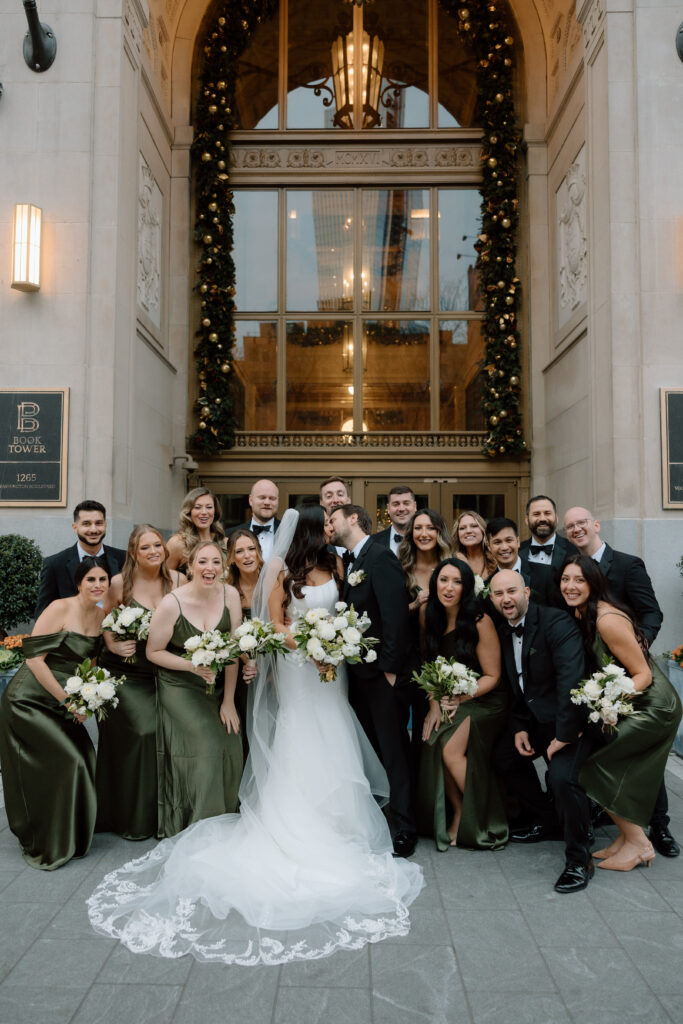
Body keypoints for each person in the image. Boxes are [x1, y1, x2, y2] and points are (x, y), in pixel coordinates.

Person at [87, 508, 424, 966]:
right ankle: (297, 815)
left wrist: (337, 646)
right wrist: (312, 643)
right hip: (299, 666)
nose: (329, 528)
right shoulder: (281, 572)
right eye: (322, 524)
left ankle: (338, 816)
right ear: (308, 531)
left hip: (332, 667)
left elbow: (347, 612)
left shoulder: (340, 566)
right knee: (301, 730)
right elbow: (275, 625)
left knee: (335, 727)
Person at [562, 506, 677, 857]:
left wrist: (634, 649)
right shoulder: (582, 605)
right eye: (566, 581)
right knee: (615, 759)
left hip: (649, 697)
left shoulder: (612, 605)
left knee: (607, 762)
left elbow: (650, 616)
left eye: (578, 581)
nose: (570, 586)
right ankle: (628, 839)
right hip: (625, 688)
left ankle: (644, 839)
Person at [0, 558, 111, 869]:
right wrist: (68, 702)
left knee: (86, 757)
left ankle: (69, 832)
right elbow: (34, 659)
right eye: (90, 579)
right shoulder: (60, 608)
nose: (97, 585)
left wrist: (91, 697)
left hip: (65, 700)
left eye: (103, 579)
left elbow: (92, 663)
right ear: (79, 583)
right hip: (29, 700)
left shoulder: (102, 615)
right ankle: (44, 836)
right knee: (69, 759)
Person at [490, 570, 595, 894]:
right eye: (498, 594)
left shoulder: (556, 623)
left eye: (512, 591)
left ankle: (580, 860)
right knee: (504, 757)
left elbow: (570, 682)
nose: (506, 599)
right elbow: (519, 685)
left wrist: (563, 735)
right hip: (536, 720)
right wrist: (520, 727)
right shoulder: (501, 630)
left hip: (572, 723)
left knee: (562, 778)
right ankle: (548, 820)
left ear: (527, 592)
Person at [330, 503, 419, 857]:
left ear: (353, 518)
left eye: (332, 519)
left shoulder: (379, 557)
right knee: (373, 750)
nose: (329, 525)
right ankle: (380, 817)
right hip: (359, 675)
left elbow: (396, 616)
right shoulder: (352, 560)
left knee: (394, 752)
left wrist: (390, 669)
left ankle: (406, 828)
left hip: (382, 676)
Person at [147, 540, 244, 838]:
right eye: (202, 562)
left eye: (216, 562)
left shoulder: (230, 595)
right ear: (189, 567)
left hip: (215, 687)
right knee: (207, 744)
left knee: (232, 742)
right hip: (179, 684)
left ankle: (226, 820)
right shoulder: (172, 603)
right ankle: (202, 826)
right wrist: (192, 667)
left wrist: (228, 700)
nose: (210, 568)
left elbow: (232, 651)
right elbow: (153, 652)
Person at [96, 525, 185, 841]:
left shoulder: (178, 581)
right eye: (145, 547)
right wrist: (111, 644)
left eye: (157, 545)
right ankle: (135, 816)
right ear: (133, 553)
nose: (153, 552)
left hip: (166, 670)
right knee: (146, 730)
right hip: (128, 673)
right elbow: (103, 619)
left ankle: (171, 811)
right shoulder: (120, 583)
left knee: (174, 731)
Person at [416, 558, 508, 851]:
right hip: (445, 696)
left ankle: (485, 817)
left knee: (450, 748)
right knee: (434, 741)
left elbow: (493, 676)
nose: (449, 587)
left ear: (467, 587)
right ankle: (457, 813)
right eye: (444, 580)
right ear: (435, 583)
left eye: (457, 582)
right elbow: (428, 662)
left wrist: (459, 698)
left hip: (484, 699)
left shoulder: (480, 621)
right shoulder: (426, 614)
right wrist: (433, 705)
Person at [34, 500, 125, 617]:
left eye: (98, 523)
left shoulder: (124, 558)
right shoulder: (54, 564)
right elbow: (43, 612)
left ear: (105, 525)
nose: (93, 530)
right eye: (86, 524)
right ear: (75, 527)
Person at [226, 528, 264, 758]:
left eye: (251, 549)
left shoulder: (274, 581)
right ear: (231, 557)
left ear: (259, 552)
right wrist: (249, 662)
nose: (247, 555)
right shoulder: (228, 589)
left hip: (275, 663)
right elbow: (232, 632)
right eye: (240, 551)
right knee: (246, 722)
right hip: (240, 668)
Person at [519, 495, 577, 606]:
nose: (542, 519)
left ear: (556, 518)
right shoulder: (517, 552)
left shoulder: (573, 550)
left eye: (547, 513)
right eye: (536, 514)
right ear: (527, 520)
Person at [398, 509, 453, 614]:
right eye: (418, 528)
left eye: (431, 528)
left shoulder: (453, 565)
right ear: (411, 533)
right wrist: (414, 604)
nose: (423, 534)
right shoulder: (400, 568)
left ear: (439, 532)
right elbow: (391, 612)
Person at [166, 487, 227, 574]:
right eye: (197, 507)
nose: (204, 512)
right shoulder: (177, 543)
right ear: (189, 511)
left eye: (209, 507)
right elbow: (164, 579)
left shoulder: (225, 543)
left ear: (215, 511)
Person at [229, 479, 280, 561]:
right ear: (250, 500)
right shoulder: (229, 535)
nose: (267, 502)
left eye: (272, 498)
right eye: (262, 497)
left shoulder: (293, 533)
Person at [374, 486, 417, 557]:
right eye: (396, 504)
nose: (401, 509)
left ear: (415, 506)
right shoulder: (373, 542)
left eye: (406, 503)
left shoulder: (424, 540)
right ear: (388, 508)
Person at [452, 510, 496, 580]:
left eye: (474, 526)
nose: (468, 531)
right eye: (462, 528)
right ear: (457, 534)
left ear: (483, 530)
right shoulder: (452, 561)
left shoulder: (496, 557)